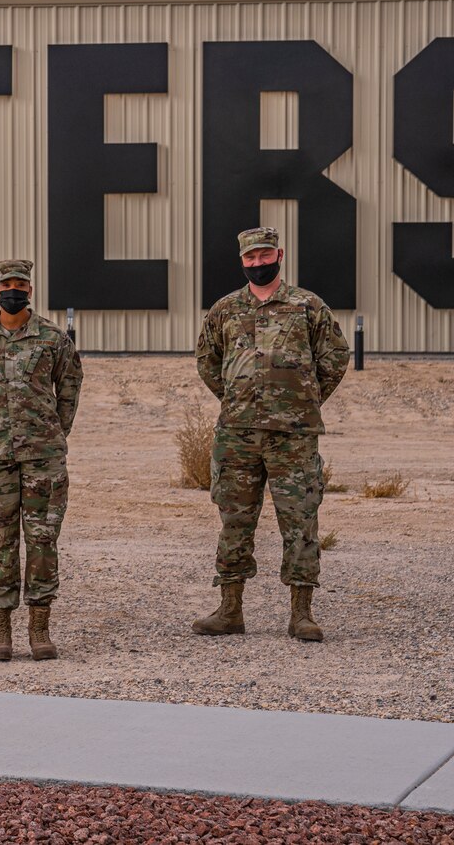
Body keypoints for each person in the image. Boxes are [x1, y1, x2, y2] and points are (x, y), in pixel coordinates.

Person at [192, 226, 350, 642]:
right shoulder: (225, 310)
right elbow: (208, 361)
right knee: (234, 520)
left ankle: (301, 614)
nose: (258, 264)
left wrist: (305, 399)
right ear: (242, 261)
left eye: (265, 256)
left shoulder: (307, 306)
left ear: (279, 255)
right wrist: (235, 399)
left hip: (293, 435)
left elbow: (334, 357)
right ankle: (229, 610)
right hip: (237, 434)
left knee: (300, 520)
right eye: (251, 259)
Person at [0, 259, 83, 662]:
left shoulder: (53, 338)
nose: (14, 290)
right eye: (7, 284)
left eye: (21, 285)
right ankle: (0, 631)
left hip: (43, 456)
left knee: (43, 540)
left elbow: (69, 387)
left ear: (30, 290)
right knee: (0, 542)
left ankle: (40, 627)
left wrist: (52, 430)